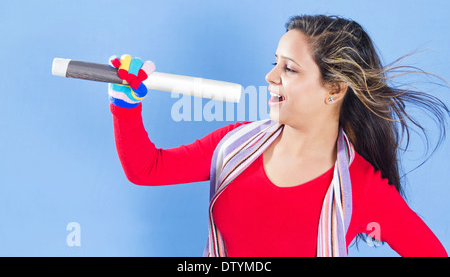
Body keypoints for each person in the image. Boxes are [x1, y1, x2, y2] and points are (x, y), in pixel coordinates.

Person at [108, 15, 449, 257]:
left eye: (289, 68)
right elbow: (147, 169)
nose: (271, 76)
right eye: (275, 63)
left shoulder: (361, 188)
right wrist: (125, 107)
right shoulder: (233, 146)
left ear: (333, 88)